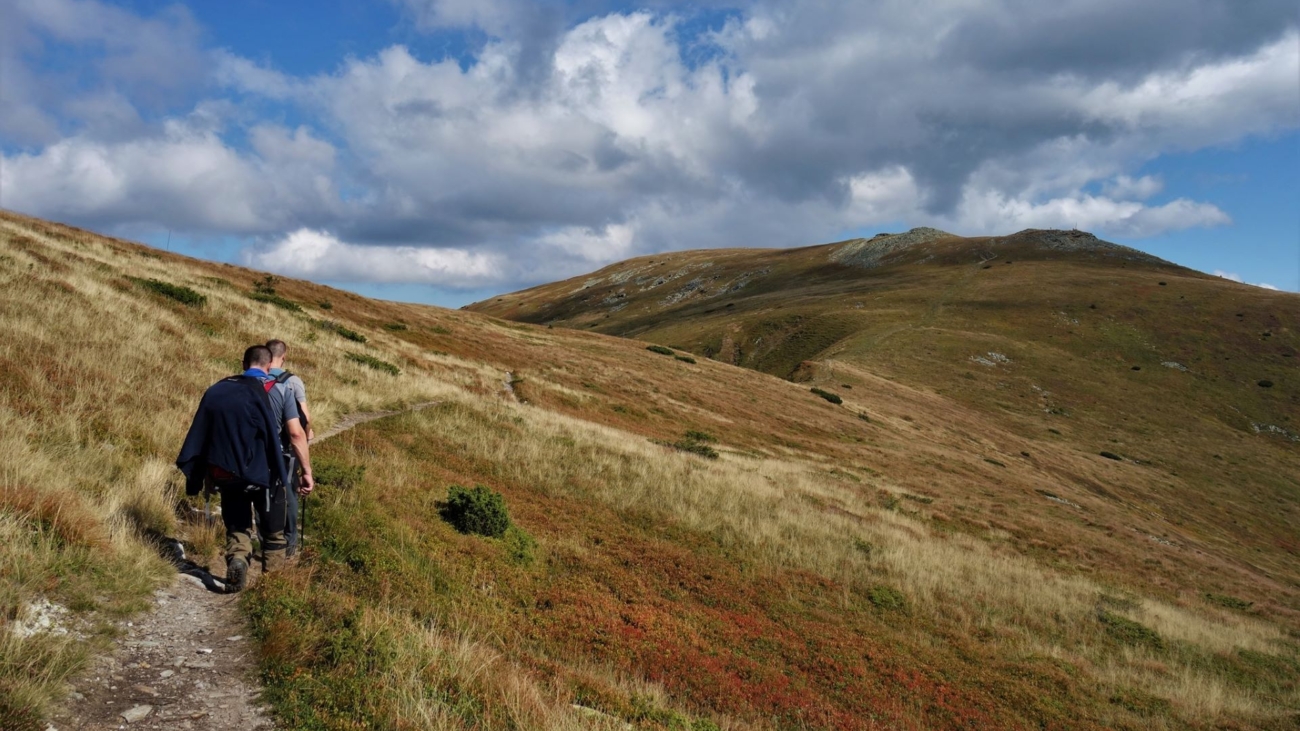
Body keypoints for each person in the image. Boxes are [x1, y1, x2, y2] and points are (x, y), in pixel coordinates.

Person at [176, 345, 293, 592]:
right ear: (270, 365)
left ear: (243, 363)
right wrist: (299, 473)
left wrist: (200, 475)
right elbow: (292, 434)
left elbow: (201, 434)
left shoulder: (218, 390)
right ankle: (272, 588)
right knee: (273, 533)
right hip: (265, 475)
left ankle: (239, 559)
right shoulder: (277, 390)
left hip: (227, 473)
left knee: (238, 525)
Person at [265, 339, 314, 555]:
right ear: (284, 356)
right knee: (289, 493)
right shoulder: (292, 381)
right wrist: (307, 434)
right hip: (285, 448)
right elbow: (304, 417)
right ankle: (290, 544)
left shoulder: (255, 379)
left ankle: (264, 539)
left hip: (257, 449)